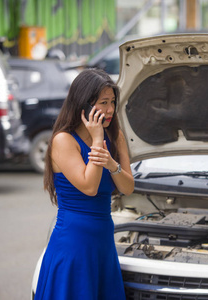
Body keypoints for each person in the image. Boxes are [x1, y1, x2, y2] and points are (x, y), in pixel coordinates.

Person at [35, 68, 134, 300]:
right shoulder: (64, 140)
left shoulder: (115, 136)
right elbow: (89, 187)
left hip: (103, 242)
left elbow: (128, 187)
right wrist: (98, 140)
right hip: (73, 244)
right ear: (85, 105)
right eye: (102, 103)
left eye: (112, 102)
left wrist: (112, 164)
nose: (109, 110)